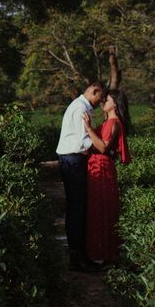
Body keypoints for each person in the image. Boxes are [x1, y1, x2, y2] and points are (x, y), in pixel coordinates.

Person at [56, 81, 106, 272]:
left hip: (73, 160)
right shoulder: (80, 108)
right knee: (77, 208)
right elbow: (83, 141)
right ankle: (77, 258)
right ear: (93, 91)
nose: (99, 102)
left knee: (79, 207)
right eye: (99, 98)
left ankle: (79, 255)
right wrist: (103, 146)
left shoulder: (81, 106)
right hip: (73, 160)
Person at [83, 89, 131, 266]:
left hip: (102, 167)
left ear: (115, 104)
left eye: (107, 100)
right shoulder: (108, 122)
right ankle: (101, 252)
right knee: (99, 209)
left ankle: (106, 254)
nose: (103, 103)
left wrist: (88, 128)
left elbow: (103, 147)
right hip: (98, 166)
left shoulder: (113, 122)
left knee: (103, 210)